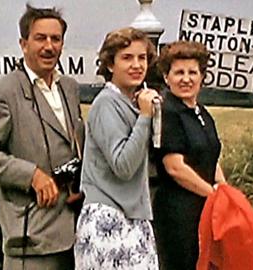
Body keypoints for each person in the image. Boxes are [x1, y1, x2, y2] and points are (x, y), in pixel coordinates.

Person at [0, 4, 85, 269]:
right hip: (31, 236)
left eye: (56, 39)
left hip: (75, 231)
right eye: (40, 38)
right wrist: (31, 174)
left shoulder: (70, 88)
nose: (49, 46)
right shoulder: (4, 91)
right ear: (23, 44)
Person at [74, 27, 160, 269]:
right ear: (110, 64)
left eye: (142, 58)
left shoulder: (131, 101)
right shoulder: (106, 104)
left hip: (133, 218)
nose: (136, 65)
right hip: (107, 219)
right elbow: (123, 166)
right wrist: (144, 118)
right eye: (127, 57)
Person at [153, 41, 226, 270]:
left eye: (192, 72)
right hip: (179, 216)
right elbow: (174, 167)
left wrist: (225, 190)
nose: (186, 79)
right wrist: (213, 195)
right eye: (179, 73)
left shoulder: (202, 113)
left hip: (205, 210)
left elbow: (210, 156)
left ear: (202, 76)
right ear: (166, 77)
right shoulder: (167, 112)